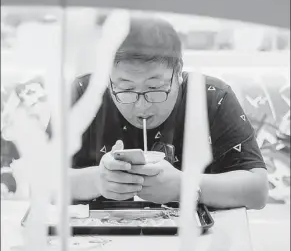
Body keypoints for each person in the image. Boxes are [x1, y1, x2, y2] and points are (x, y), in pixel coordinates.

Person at [70, 18, 268, 209]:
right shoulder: (82, 95)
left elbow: (257, 191)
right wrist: (96, 181)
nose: (141, 106)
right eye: (126, 89)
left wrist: (184, 186)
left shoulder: (212, 97)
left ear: (178, 71)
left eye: (155, 87)